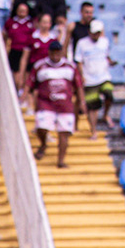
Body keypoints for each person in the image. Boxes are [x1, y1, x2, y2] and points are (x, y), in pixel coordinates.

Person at [28, 33, 84, 167]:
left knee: (64, 133)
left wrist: (82, 102)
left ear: (62, 52)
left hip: (65, 104)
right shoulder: (40, 66)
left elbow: (79, 85)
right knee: (41, 127)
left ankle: (61, 160)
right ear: (49, 52)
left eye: (58, 52)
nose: (55, 55)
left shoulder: (70, 66)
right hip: (46, 103)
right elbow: (30, 84)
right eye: (53, 52)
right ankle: (43, 144)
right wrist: (25, 97)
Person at [75, 19, 114, 134]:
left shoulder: (104, 42)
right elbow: (79, 61)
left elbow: (106, 55)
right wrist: (81, 75)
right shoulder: (82, 43)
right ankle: (93, 131)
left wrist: (110, 62)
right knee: (92, 106)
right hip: (89, 79)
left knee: (109, 94)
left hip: (103, 76)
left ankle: (105, 115)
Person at [5, 0, 37, 79]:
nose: (22, 12)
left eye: (24, 10)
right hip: (14, 50)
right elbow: (5, 35)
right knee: (15, 72)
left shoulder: (31, 23)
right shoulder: (11, 22)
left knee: (25, 72)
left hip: (27, 50)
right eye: (20, 10)